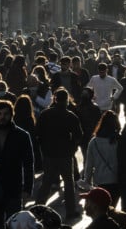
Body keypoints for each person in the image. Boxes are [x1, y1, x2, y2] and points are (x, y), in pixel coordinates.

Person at [35, 88, 84, 220]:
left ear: (55, 99)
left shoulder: (45, 114)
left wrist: (43, 147)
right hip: (65, 154)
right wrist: (73, 148)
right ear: (67, 100)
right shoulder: (70, 116)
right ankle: (70, 211)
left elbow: (38, 133)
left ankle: (37, 209)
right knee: (69, 183)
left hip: (49, 153)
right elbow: (79, 135)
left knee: (46, 182)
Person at [83, 110, 120, 207]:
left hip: (100, 180)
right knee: (113, 207)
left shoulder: (94, 142)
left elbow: (89, 164)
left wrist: (87, 180)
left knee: (102, 208)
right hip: (116, 179)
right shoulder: (118, 140)